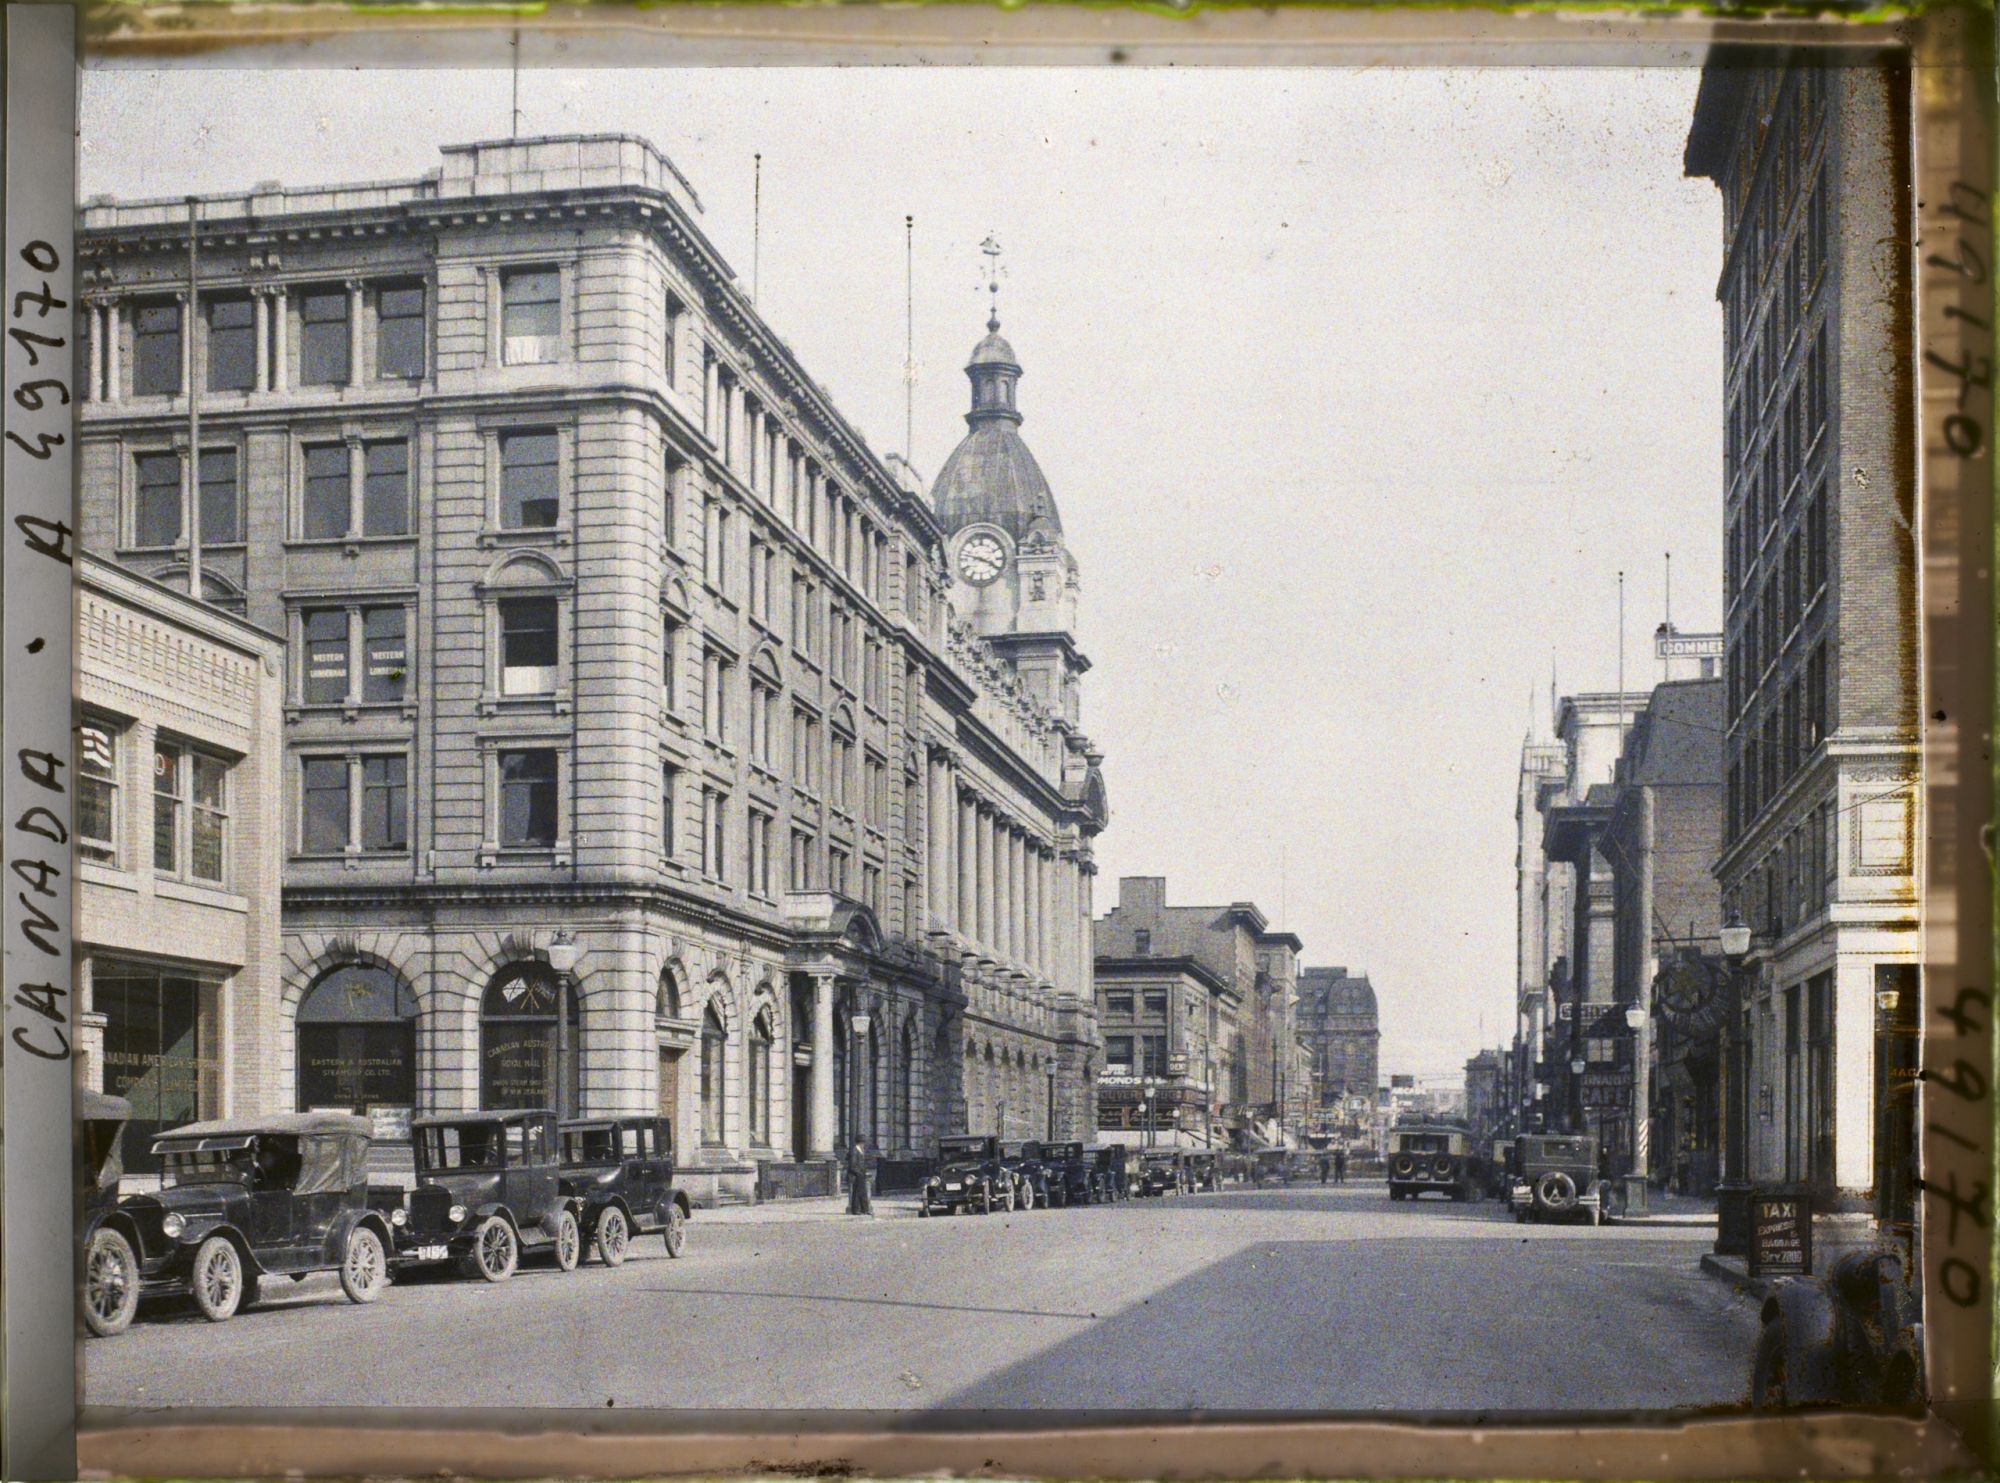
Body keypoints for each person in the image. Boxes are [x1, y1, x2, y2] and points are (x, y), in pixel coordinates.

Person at [846, 1140, 873, 1217]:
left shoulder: (860, 1150)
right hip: (856, 1175)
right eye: (863, 1143)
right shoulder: (855, 1150)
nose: (864, 1145)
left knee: (863, 1193)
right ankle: (857, 1210)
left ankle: (865, 1209)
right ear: (860, 1143)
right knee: (857, 1193)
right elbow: (852, 1165)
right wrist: (859, 1173)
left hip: (861, 1175)